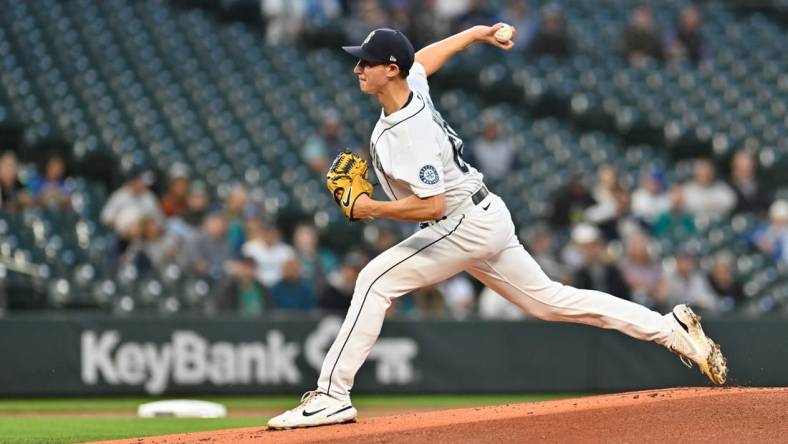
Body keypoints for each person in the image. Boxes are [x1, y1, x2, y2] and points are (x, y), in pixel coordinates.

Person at [267, 24, 727, 430]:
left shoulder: (409, 131)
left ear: (390, 69)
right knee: (551, 301)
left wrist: (368, 209)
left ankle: (332, 396)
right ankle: (671, 329)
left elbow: (432, 204)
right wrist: (477, 33)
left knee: (373, 281)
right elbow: (424, 59)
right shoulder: (411, 87)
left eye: (365, 62)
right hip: (484, 215)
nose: (357, 69)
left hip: (461, 221)